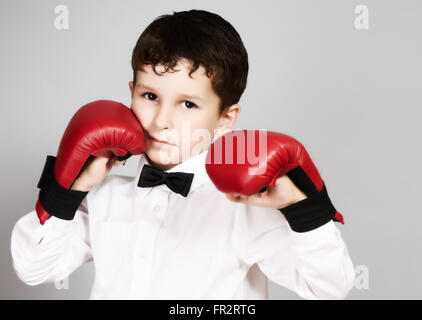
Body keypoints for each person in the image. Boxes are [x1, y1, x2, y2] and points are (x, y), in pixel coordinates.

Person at [11, 9, 355, 299]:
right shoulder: (104, 197)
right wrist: (68, 188)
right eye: (149, 97)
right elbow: (32, 268)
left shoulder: (243, 208)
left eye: (188, 104)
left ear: (225, 119)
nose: (162, 121)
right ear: (130, 93)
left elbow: (329, 286)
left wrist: (304, 209)